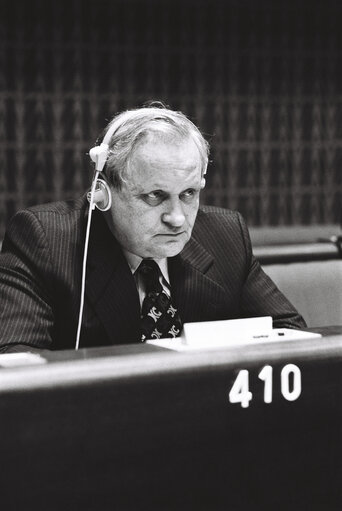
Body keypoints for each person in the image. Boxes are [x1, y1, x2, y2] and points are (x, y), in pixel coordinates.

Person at [0, 104, 305, 352]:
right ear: (103, 194)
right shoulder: (45, 239)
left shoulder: (225, 235)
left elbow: (292, 336)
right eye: (155, 196)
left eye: (188, 194)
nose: (177, 218)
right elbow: (17, 363)